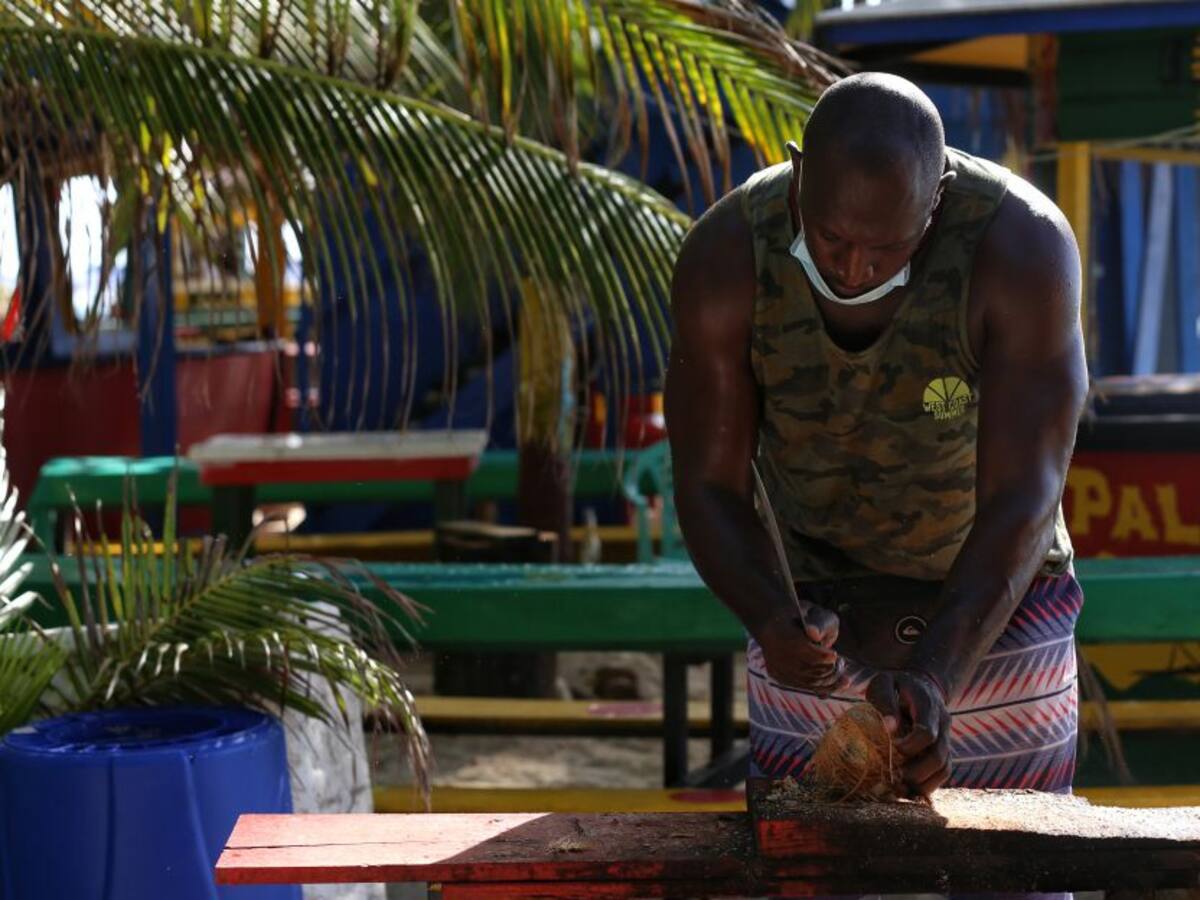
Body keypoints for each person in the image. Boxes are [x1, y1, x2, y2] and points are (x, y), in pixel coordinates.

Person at [665, 72, 1087, 799]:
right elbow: (708, 484)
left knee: (1021, 861)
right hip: (813, 611)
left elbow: (1027, 494)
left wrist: (935, 678)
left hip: (999, 600)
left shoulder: (1022, 250)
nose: (854, 269)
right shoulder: (728, 258)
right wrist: (771, 617)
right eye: (830, 238)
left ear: (939, 202)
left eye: (889, 247)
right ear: (799, 175)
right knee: (812, 859)